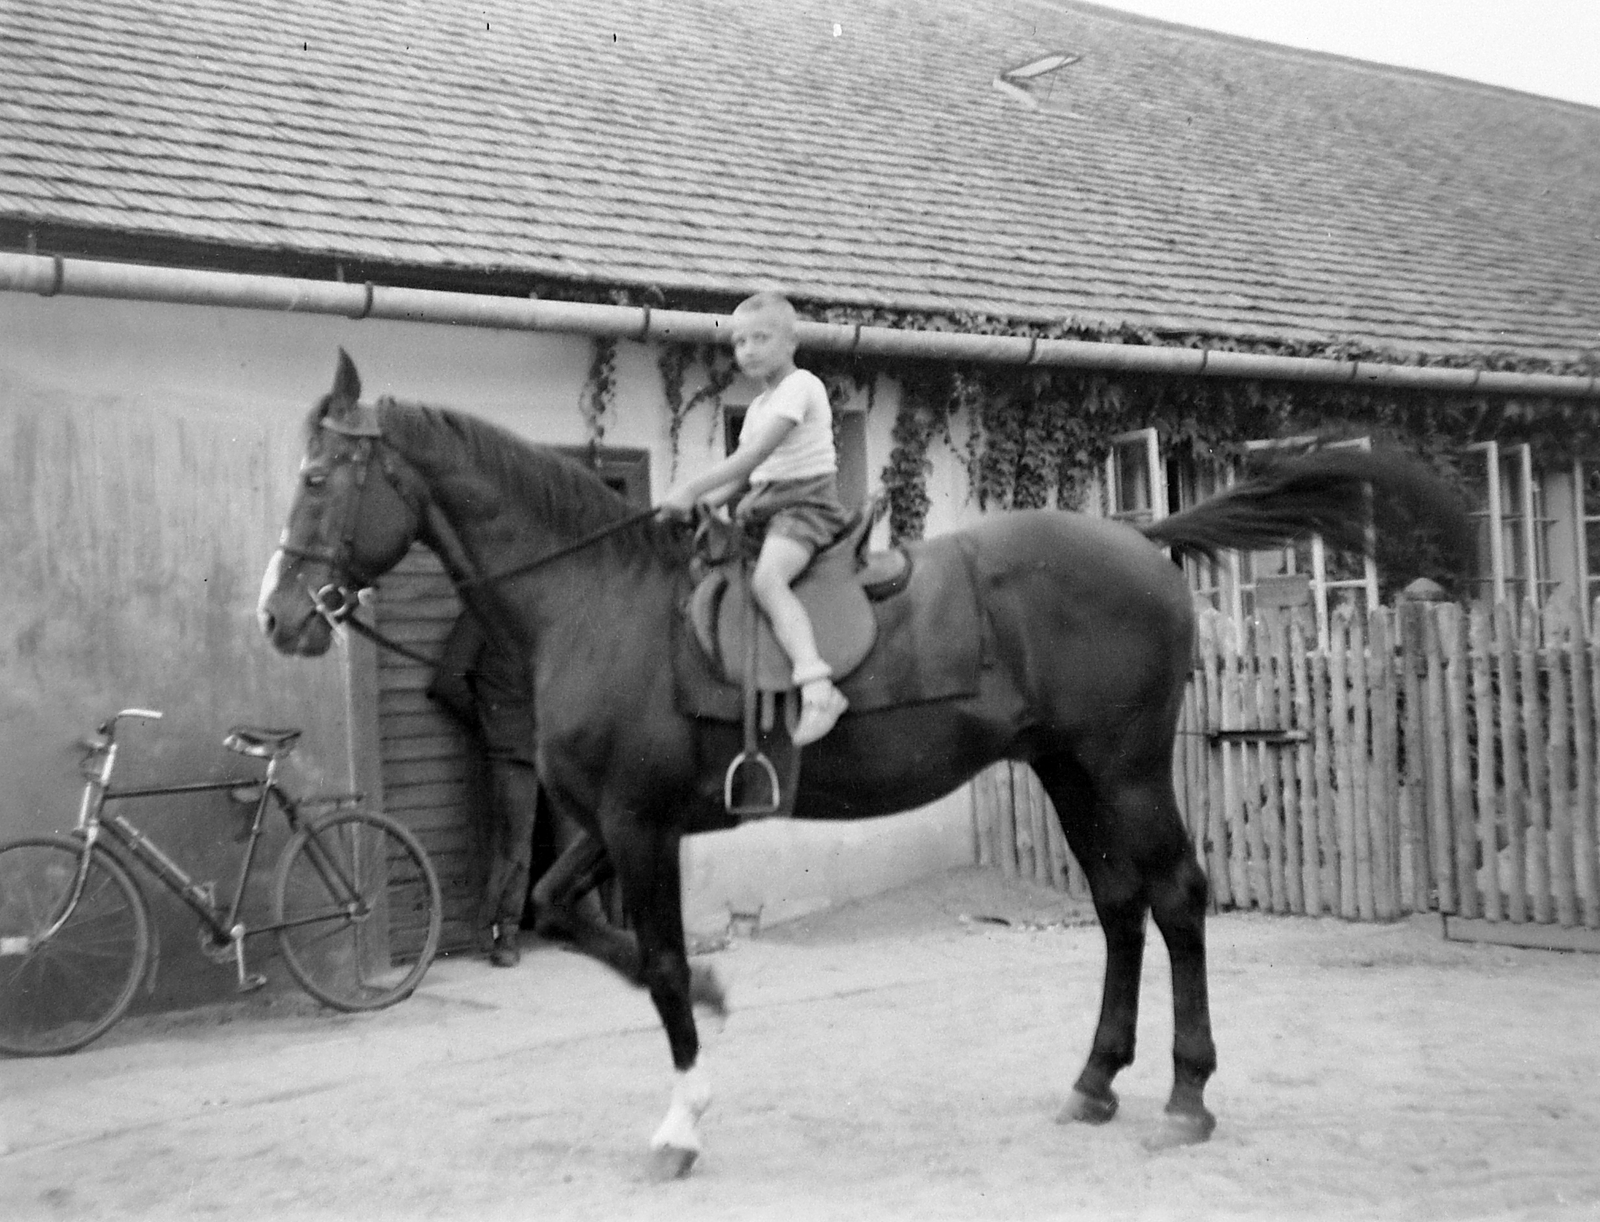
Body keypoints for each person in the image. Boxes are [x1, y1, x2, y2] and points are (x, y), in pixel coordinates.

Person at [658, 291, 852, 746]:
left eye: (761, 338)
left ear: (791, 342)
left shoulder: (801, 387)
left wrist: (691, 488)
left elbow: (753, 457)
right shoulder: (760, 408)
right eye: (740, 342)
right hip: (765, 509)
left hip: (805, 509)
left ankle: (818, 686)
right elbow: (747, 480)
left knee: (768, 581)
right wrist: (704, 506)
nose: (748, 350)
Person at [427, 612, 605, 966]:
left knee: (538, 842)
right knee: (525, 843)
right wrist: (491, 724)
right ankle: (516, 934)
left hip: (552, 748)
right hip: (525, 747)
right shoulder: (481, 616)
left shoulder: (503, 612)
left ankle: (519, 936)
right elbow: (446, 684)